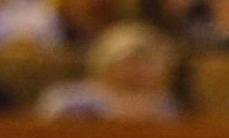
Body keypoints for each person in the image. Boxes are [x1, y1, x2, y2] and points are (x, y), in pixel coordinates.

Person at [37, 19, 181, 119]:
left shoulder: (164, 105)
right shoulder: (74, 99)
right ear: (106, 64)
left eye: (145, 63)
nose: (136, 71)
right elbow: (49, 114)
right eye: (129, 62)